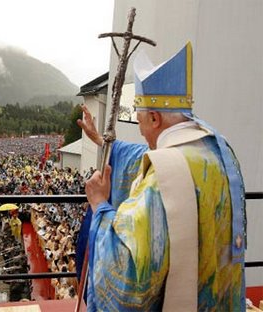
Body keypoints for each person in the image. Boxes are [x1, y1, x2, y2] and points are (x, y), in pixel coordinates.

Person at [78, 42, 246, 311]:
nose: (142, 130)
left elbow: (128, 274)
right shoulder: (218, 150)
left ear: (155, 118)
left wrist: (100, 204)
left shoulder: (164, 175)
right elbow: (147, 155)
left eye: (140, 118)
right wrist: (101, 140)